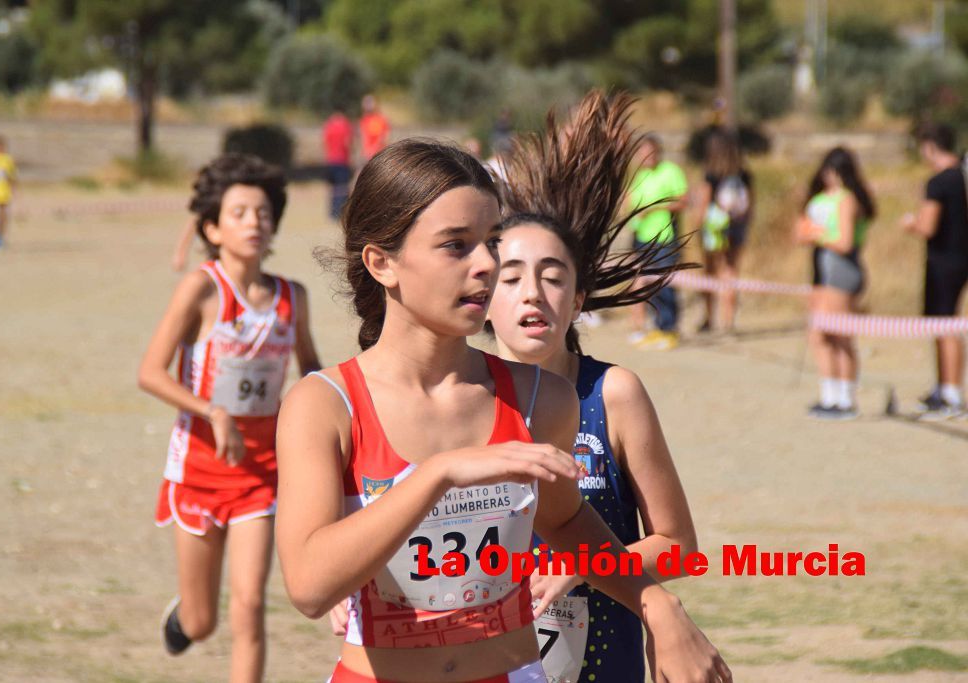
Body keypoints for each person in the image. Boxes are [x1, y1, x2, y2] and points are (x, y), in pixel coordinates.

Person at [275, 138, 730, 683]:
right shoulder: (325, 404)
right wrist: (438, 475)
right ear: (382, 262)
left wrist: (657, 604)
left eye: (491, 242)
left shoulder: (541, 400)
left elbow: (565, 521)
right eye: (455, 245)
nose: (485, 265)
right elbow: (308, 586)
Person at [487, 91, 698, 683]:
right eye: (512, 277)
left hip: (608, 664)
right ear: (484, 298)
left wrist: (583, 563)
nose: (534, 293)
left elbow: (678, 545)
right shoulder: (459, 395)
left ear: (578, 301)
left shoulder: (613, 394)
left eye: (554, 279)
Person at [138, 154, 322, 683]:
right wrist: (211, 410)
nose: (254, 222)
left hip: (262, 475)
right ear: (213, 228)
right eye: (239, 212)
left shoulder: (293, 297)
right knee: (202, 622)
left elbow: (310, 370)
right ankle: (185, 618)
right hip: (197, 468)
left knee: (250, 607)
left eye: (263, 213)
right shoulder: (201, 289)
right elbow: (151, 372)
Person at [794, 147, 874, 420]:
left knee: (841, 336)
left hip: (841, 273)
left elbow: (845, 242)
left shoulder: (848, 200)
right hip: (822, 273)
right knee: (820, 336)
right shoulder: (821, 198)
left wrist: (818, 235)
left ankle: (845, 399)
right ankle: (830, 395)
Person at [902, 123, 968, 420]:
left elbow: (928, 226)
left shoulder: (939, 182)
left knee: (945, 326)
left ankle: (950, 393)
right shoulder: (963, 176)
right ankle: (944, 388)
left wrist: (910, 224)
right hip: (962, 258)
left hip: (944, 261)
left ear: (930, 146)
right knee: (947, 324)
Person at [625, 134, 688, 350]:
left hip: (665, 237)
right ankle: (657, 326)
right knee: (648, 286)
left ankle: (670, 328)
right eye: (642, 153)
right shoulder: (639, 176)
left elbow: (682, 201)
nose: (646, 157)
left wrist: (655, 208)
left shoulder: (671, 172)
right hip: (642, 237)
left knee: (665, 285)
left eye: (649, 152)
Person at [693, 130, 754, 333]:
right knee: (731, 272)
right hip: (737, 227)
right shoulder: (745, 174)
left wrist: (696, 229)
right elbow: (751, 205)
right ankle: (728, 322)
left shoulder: (711, 174)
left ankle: (709, 318)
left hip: (715, 228)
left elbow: (703, 205)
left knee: (710, 273)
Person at [324, 107, 354, 220]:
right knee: (342, 187)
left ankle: (332, 212)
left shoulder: (329, 124)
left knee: (333, 187)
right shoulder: (345, 125)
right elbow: (348, 142)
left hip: (331, 160)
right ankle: (340, 212)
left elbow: (325, 142)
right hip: (342, 160)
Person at [359, 95, 391, 164]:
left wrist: (373, 151)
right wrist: (365, 153)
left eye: (369, 102)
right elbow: (364, 138)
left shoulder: (380, 119)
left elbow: (384, 138)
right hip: (367, 155)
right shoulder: (364, 119)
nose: (367, 105)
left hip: (379, 155)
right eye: (366, 103)